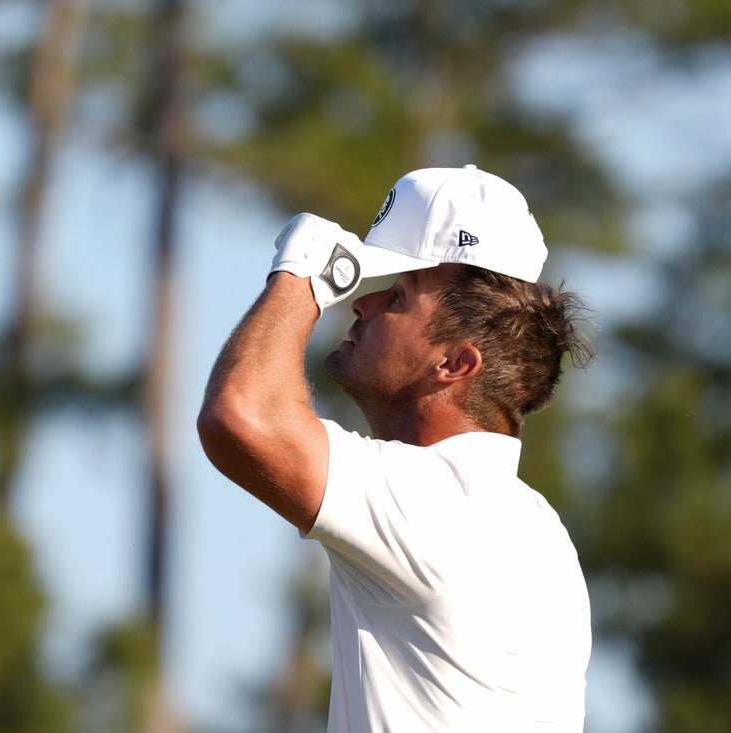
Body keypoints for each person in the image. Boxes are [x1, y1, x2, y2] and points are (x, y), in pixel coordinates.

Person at [198, 164, 594, 732]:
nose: (363, 302)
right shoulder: (540, 529)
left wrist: (302, 274)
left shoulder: (438, 503)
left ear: (454, 363)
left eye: (399, 293)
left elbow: (241, 415)